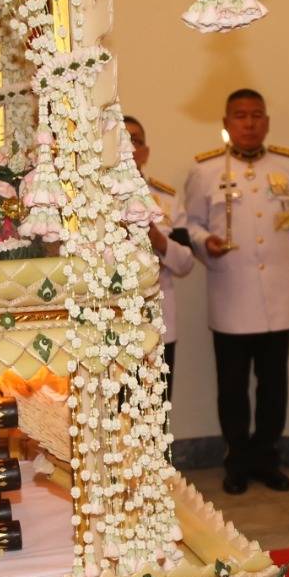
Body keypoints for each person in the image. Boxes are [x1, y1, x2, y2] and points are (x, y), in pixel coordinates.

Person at [185, 89, 289, 494]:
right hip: (231, 296)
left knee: (274, 386)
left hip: (280, 297)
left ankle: (267, 458)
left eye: (257, 115)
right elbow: (189, 225)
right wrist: (204, 242)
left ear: (267, 122)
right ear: (226, 123)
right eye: (240, 116)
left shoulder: (288, 167)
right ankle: (238, 460)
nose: (249, 123)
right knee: (232, 388)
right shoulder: (205, 170)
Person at [125, 115, 195, 400]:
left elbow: (185, 262)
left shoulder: (166, 200)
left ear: (145, 152)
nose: (128, 147)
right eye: (120, 139)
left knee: (157, 407)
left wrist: (158, 240)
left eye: (135, 140)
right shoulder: (90, 200)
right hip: (110, 322)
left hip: (158, 320)